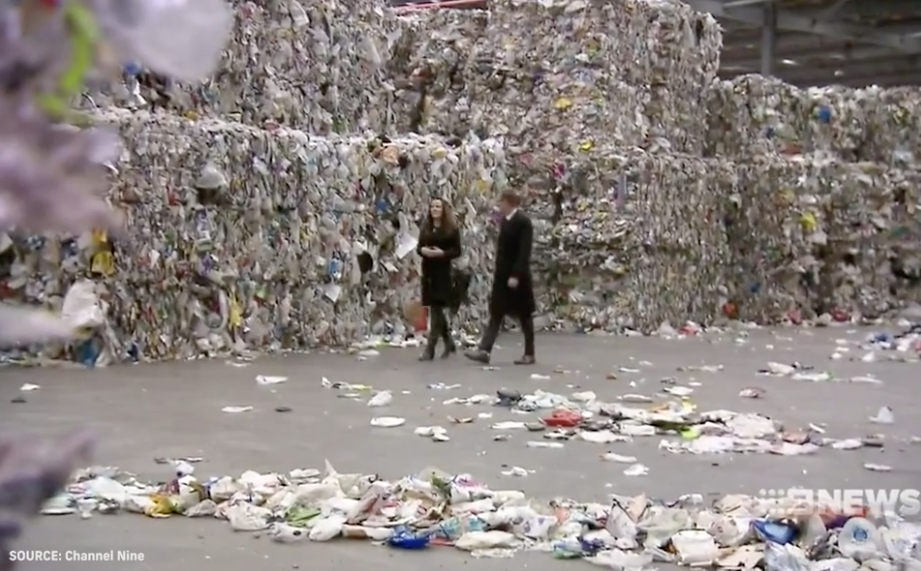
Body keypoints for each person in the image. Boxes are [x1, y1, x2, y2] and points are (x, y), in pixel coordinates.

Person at [465, 189, 535, 365]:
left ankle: (529, 353)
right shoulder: (505, 221)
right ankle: (484, 350)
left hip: (517, 278)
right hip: (502, 277)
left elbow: (523, 252)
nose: (499, 205)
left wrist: (516, 275)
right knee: (496, 313)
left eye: (501, 201)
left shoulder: (523, 222)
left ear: (509, 202)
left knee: (524, 315)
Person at [416, 197, 462, 361]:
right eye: (432, 206)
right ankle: (449, 343)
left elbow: (457, 251)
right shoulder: (426, 228)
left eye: (438, 206)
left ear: (443, 210)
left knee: (436, 310)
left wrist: (441, 253)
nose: (434, 209)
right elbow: (419, 248)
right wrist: (424, 251)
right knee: (436, 310)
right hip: (428, 273)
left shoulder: (451, 229)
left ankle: (430, 349)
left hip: (443, 273)